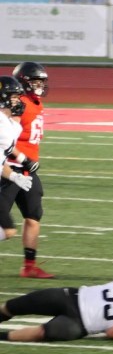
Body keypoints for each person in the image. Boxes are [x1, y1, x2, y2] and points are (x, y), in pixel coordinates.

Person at [0, 255, 113, 342]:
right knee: (14, 306)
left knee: (41, 333)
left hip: (80, 325)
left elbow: (112, 333)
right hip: (72, 297)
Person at [0, 63, 52, 278]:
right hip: (10, 169)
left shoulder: (35, 103)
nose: (40, 86)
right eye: (35, 81)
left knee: (33, 215)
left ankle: (29, 266)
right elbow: (7, 140)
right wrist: (23, 160)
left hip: (28, 171)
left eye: (41, 82)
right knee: (5, 225)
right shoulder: (18, 104)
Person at [0, 77, 35, 256]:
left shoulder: (8, 123)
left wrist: (15, 175)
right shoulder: (3, 125)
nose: (17, 101)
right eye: (14, 97)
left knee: (8, 230)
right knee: (7, 230)